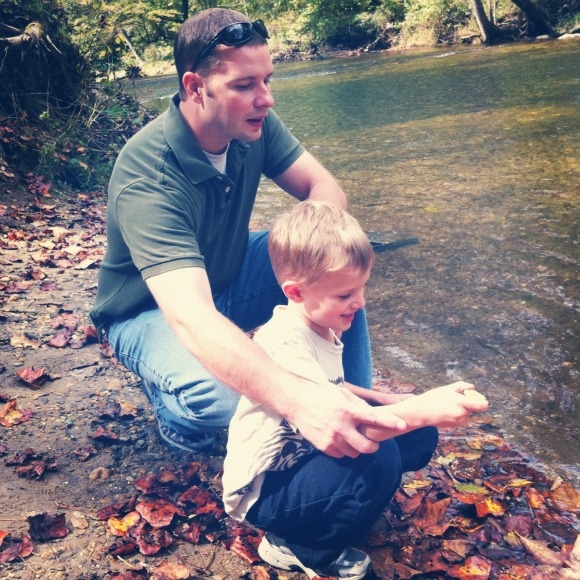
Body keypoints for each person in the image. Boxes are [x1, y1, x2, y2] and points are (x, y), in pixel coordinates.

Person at [90, 7, 406, 454]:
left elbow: (324, 187)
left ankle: (357, 404)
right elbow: (192, 318)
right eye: (244, 85)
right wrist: (299, 401)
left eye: (267, 80)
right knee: (223, 398)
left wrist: (318, 257)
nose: (266, 98)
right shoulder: (149, 176)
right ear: (195, 88)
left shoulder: (251, 123)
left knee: (339, 280)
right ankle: (176, 413)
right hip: (147, 311)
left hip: (230, 272)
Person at [222, 201, 489, 579]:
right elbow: (349, 430)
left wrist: (395, 400)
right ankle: (299, 546)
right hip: (265, 494)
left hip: (300, 458)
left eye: (362, 288)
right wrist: (427, 408)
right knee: (378, 458)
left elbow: (333, 385)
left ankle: (336, 508)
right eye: (346, 295)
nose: (359, 303)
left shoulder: (319, 322)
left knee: (412, 434)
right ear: (295, 292)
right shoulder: (284, 344)